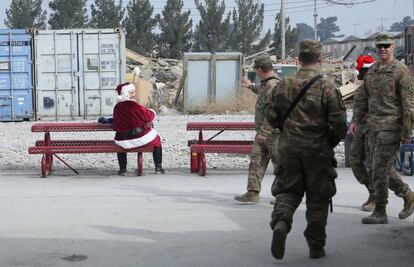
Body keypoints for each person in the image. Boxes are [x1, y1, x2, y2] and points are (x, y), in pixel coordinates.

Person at [266, 40, 347, 259]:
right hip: (317, 152)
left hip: (289, 150)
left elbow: (271, 117)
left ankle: (281, 223)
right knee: (318, 198)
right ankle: (315, 245)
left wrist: (286, 129)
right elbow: (340, 123)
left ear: (299, 59)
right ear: (320, 59)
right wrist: (329, 141)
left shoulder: (283, 84)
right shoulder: (327, 85)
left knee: (287, 192)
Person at [350, 33, 414, 224]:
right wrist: (356, 120)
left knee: (378, 168)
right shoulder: (374, 70)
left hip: (391, 127)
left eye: (386, 46)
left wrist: (407, 131)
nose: (383, 49)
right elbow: (362, 97)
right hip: (372, 127)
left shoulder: (401, 71)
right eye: (379, 47)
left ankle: (380, 210)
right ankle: (408, 195)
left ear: (393, 47)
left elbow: (409, 104)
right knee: (378, 167)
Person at [234, 56, 280, 203]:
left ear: (260, 70)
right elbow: (262, 92)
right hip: (263, 133)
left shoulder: (273, 85)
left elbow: (274, 111)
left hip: (273, 134)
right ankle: (253, 192)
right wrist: (250, 86)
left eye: (256, 70)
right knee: (256, 161)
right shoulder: (267, 84)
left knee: (280, 165)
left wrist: (265, 132)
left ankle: (283, 196)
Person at [113, 82, 165, 175]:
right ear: (126, 93)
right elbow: (149, 116)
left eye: (134, 92)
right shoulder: (134, 106)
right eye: (131, 92)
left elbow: (115, 125)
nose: (134, 94)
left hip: (122, 139)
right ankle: (158, 167)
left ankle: (123, 169)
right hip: (138, 138)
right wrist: (152, 111)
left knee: (120, 144)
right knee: (157, 140)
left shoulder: (117, 107)